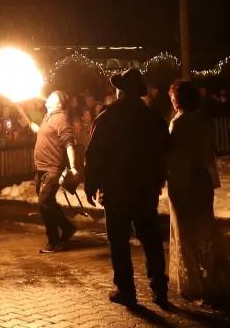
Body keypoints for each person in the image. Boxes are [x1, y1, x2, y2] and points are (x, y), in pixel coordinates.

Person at [85, 68, 170, 308]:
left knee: (119, 241)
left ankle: (126, 290)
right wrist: (158, 177)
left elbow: (94, 154)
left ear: (121, 91)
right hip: (144, 189)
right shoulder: (152, 119)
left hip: (117, 189)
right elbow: (165, 150)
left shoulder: (108, 117)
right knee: (151, 240)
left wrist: (91, 182)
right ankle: (159, 289)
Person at [166, 81, 230, 304]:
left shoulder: (178, 124)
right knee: (205, 228)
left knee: (185, 231)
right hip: (203, 180)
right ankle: (214, 277)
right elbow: (208, 151)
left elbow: (175, 155)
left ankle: (193, 282)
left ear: (177, 100)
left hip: (183, 182)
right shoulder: (205, 121)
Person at [31, 90, 78, 254]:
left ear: (59, 103)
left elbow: (69, 143)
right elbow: (50, 135)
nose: (48, 97)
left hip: (52, 168)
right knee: (47, 203)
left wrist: (73, 166)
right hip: (41, 168)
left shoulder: (61, 118)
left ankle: (53, 240)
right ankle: (66, 228)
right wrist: (38, 129)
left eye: (53, 96)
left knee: (44, 203)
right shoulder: (48, 116)